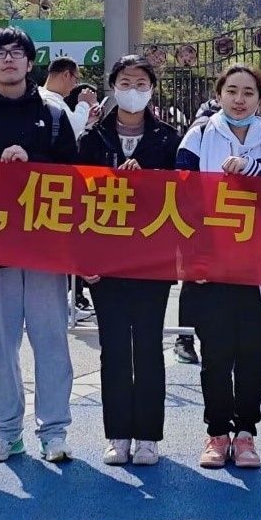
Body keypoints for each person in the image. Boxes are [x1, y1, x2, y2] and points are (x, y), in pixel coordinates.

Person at [0, 26, 78, 463]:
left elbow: (76, 179)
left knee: (51, 342)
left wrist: (33, 162)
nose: (8, 59)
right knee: (1, 346)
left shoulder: (55, 116)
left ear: (29, 62)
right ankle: (6, 432)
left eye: (16, 52)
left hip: (46, 250)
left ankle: (54, 432)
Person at [175, 65, 261, 469]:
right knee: (215, 354)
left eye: (248, 92)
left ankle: (245, 434)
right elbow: (181, 194)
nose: (239, 99)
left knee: (252, 355)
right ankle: (216, 432)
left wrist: (254, 170)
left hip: (259, 265)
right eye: (232, 91)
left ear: (260, 98)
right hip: (211, 264)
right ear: (219, 94)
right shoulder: (199, 135)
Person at [77, 54, 180, 466]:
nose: (133, 90)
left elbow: (184, 195)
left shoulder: (168, 139)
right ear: (113, 86)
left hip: (152, 260)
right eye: (125, 82)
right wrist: (83, 260)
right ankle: (118, 434)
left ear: (151, 89)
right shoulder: (92, 139)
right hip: (106, 262)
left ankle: (149, 436)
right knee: (114, 348)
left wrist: (146, 180)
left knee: (149, 347)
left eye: (141, 83)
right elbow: (76, 200)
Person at [172, 98, 220, 366]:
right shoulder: (200, 132)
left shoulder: (255, 132)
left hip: (233, 219)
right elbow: (183, 178)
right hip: (198, 218)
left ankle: (191, 338)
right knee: (195, 278)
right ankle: (185, 337)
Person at [40, 56, 98, 138]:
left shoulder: (39, 95)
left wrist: (86, 118)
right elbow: (72, 128)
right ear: (66, 75)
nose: (75, 85)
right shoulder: (51, 100)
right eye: (76, 79)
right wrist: (84, 103)